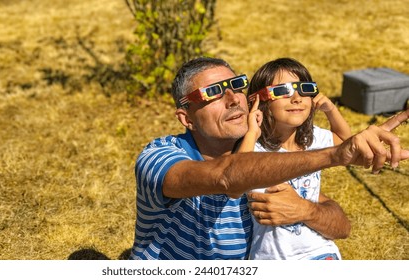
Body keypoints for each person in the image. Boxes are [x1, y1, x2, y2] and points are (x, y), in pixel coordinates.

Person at [129, 56, 409, 260]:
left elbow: (341, 226)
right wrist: (337, 154)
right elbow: (228, 177)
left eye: (236, 85)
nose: (232, 99)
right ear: (186, 118)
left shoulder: (264, 153)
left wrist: (306, 211)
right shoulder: (159, 157)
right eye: (213, 93)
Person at [237, 57, 352, 260]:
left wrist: (331, 110)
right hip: (273, 256)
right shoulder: (255, 147)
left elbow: (345, 141)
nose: (297, 97)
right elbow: (237, 174)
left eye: (305, 89)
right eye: (283, 91)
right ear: (258, 102)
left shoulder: (311, 139)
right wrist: (251, 132)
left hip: (320, 251)